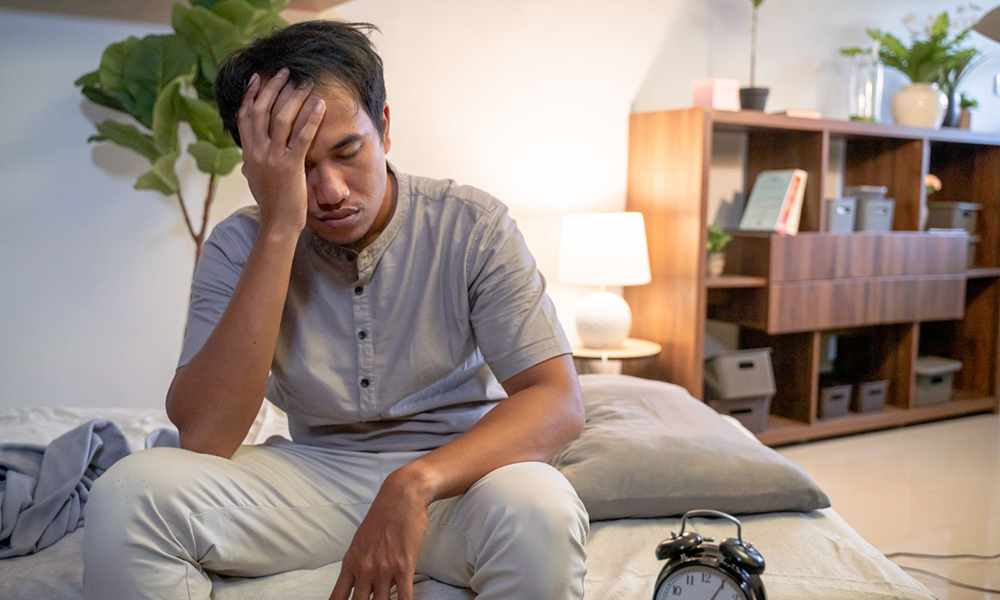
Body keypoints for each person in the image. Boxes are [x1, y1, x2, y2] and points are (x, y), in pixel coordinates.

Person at [82, 19, 589, 600]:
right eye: (298, 166)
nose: (330, 191)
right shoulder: (238, 245)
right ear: (256, 165)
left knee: (542, 508)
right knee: (128, 496)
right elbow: (205, 436)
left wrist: (416, 481)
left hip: (457, 484)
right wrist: (279, 226)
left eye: (348, 152)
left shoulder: (472, 226)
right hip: (311, 482)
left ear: (385, 127)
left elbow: (557, 401)